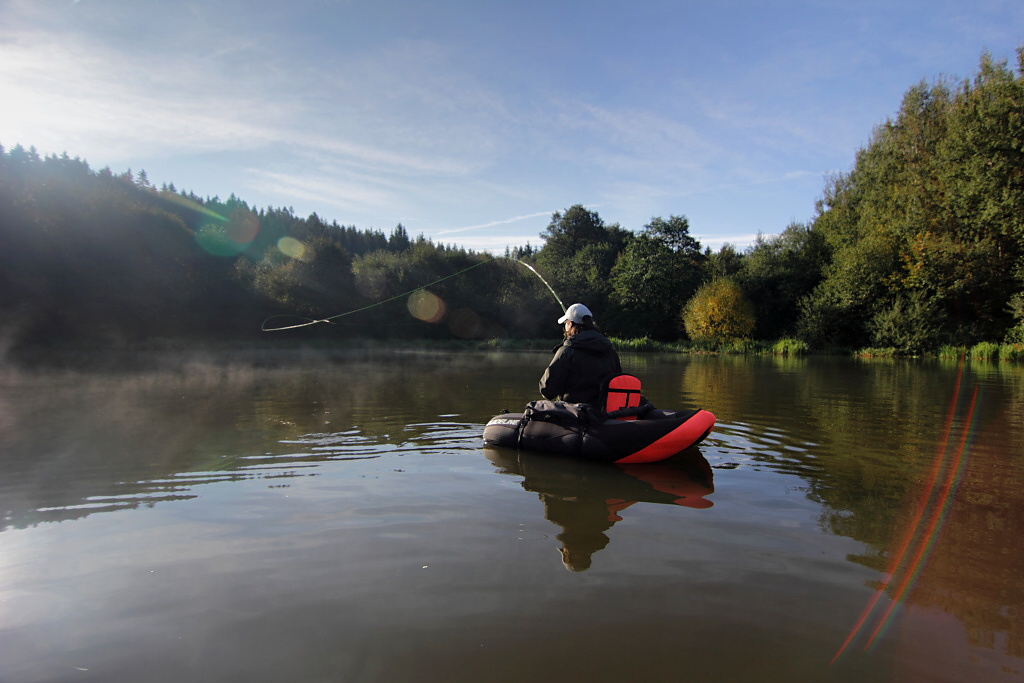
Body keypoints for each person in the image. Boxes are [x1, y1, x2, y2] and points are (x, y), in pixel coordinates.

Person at [539, 303, 622, 405]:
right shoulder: (610, 352)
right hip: (603, 414)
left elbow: (547, 391)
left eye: (565, 323)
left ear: (570, 324)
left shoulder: (567, 351)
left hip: (573, 415)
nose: (564, 327)